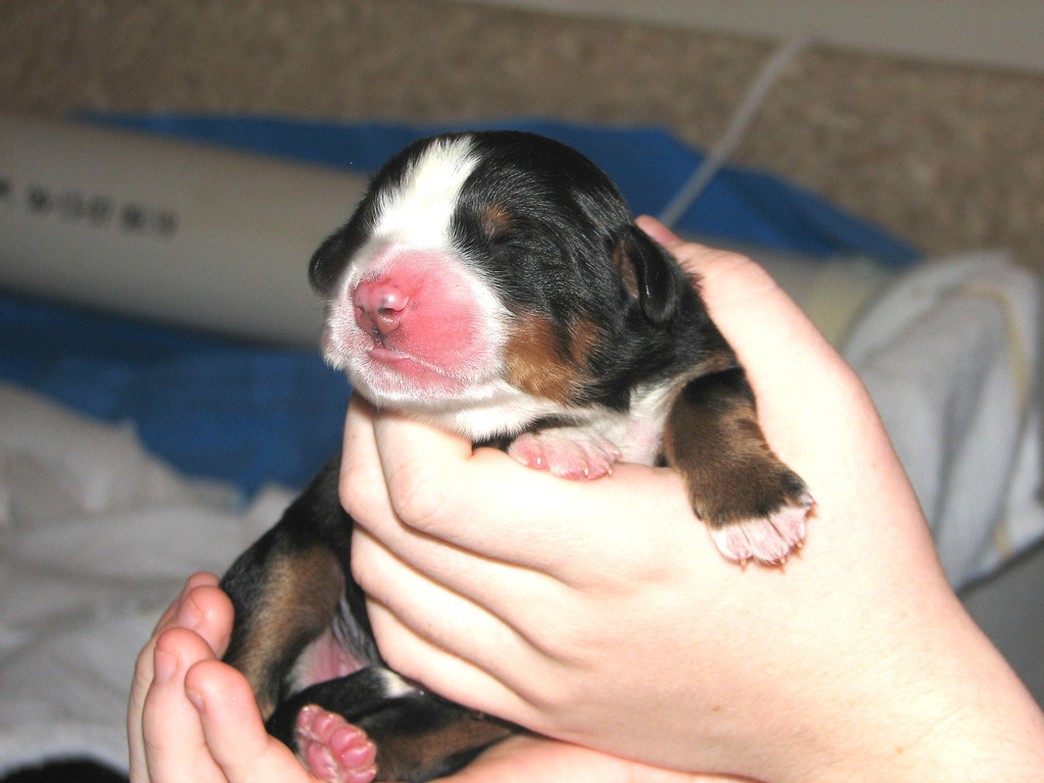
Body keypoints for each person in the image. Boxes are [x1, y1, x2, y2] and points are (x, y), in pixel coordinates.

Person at [129, 217, 1044, 783]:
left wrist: (865, 704)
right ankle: (274, 719)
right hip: (361, 612)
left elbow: (707, 394)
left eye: (495, 249)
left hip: (478, 697)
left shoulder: (665, 352)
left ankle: (391, 750)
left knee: (493, 703)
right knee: (283, 584)